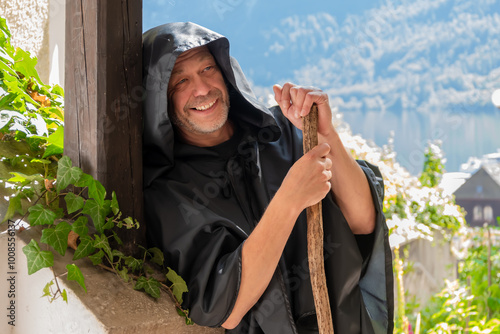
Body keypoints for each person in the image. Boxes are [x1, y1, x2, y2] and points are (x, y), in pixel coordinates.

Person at [142, 22, 394, 334]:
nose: (202, 89)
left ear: (226, 70)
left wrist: (324, 133)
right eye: (180, 81)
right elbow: (227, 308)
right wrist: (289, 200)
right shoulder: (169, 192)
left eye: (208, 68)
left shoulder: (284, 133)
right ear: (159, 99)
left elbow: (363, 221)